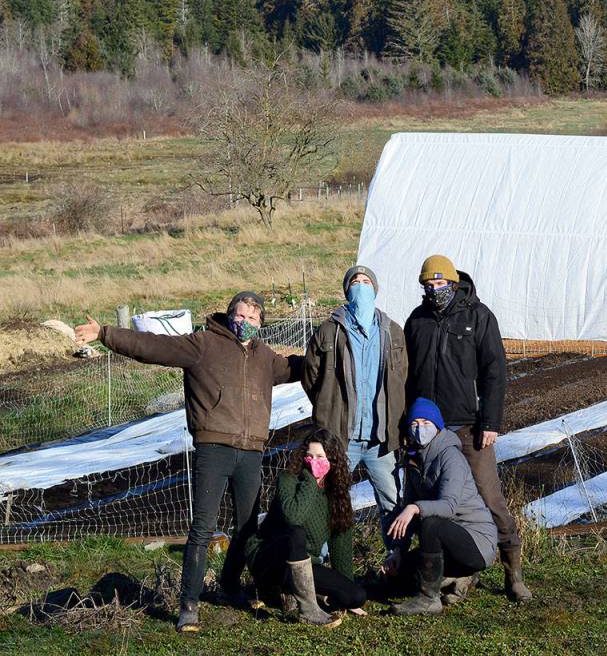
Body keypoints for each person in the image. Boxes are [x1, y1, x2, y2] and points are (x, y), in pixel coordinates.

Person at [75, 292, 302, 632]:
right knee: (202, 528)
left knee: (247, 528)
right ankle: (189, 606)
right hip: (214, 448)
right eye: (241, 316)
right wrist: (106, 334)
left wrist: (332, 352)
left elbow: (297, 367)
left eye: (254, 319)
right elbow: (153, 346)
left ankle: (228, 587)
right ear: (229, 316)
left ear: (261, 323)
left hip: (252, 450)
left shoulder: (265, 357)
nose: (246, 323)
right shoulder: (203, 344)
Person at [403, 255, 532, 602]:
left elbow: (495, 371)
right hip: (427, 431)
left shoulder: (478, 316)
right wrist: (407, 423)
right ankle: (457, 572)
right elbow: (408, 377)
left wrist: (490, 422)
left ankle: (512, 572)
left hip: (467, 427)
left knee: (488, 498)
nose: (434, 290)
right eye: (428, 286)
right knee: (436, 500)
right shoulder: (417, 321)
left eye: (440, 284)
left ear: (454, 282)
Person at [302, 265, 407, 548]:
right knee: (329, 502)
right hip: (339, 437)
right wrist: (327, 405)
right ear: (347, 291)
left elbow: (402, 377)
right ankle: (320, 570)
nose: (361, 286)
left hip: (381, 439)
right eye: (355, 282)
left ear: (375, 289)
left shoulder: (393, 332)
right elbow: (311, 375)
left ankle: (395, 562)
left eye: (366, 282)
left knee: (392, 501)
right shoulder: (329, 331)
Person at [384, 398, 497, 616]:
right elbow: (408, 506)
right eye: (414, 424)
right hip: (445, 545)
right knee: (400, 576)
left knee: (431, 523)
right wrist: (398, 550)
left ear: (437, 426)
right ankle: (459, 577)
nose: (420, 429)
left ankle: (429, 599)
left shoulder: (450, 456)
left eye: (426, 423)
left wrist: (415, 508)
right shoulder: (415, 459)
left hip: (475, 540)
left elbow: (449, 506)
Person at [244, 428, 367, 625]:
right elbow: (294, 517)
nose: (313, 461)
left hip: (306, 566)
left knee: (356, 595)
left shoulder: (336, 494)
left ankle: (312, 595)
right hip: (269, 558)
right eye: (309, 456)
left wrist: (344, 589)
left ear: (333, 461)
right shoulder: (289, 480)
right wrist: (312, 479)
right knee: (296, 533)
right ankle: (307, 609)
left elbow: (341, 545)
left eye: (320, 457)